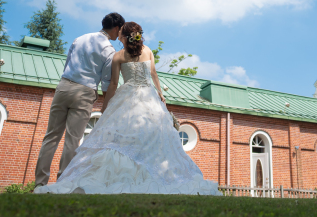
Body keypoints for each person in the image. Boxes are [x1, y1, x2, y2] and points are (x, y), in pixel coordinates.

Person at [34, 22, 221, 195]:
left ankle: (46, 181)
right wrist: (160, 92)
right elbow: (154, 73)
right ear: (138, 36)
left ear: (124, 37)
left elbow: (114, 84)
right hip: (149, 96)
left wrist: (106, 107)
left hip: (126, 95)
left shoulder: (118, 56)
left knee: (119, 137)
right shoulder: (148, 51)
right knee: (152, 136)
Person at [33, 12, 125, 188]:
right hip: (84, 92)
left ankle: (40, 184)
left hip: (63, 86)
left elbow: (68, 63)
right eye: (119, 31)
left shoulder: (80, 38)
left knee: (51, 137)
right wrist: (107, 104)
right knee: (73, 140)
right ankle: (63, 184)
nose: (118, 35)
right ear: (116, 28)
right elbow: (107, 81)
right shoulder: (109, 50)